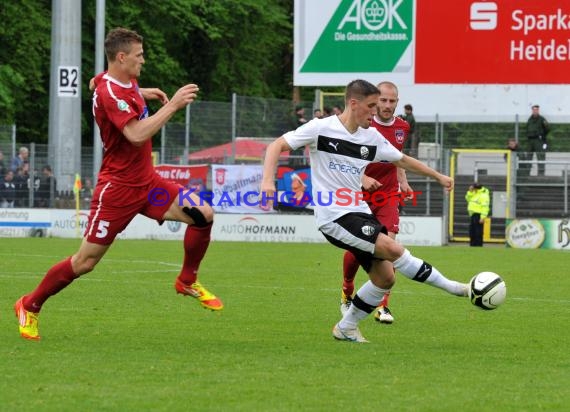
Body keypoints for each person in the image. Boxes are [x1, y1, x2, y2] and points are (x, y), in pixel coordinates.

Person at [14, 27, 223, 341]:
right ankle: (29, 304)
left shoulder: (116, 81)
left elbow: (94, 81)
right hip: (118, 189)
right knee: (84, 262)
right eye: (139, 56)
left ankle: (186, 281)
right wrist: (173, 104)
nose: (143, 60)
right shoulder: (112, 94)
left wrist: (145, 91)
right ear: (121, 57)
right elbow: (136, 134)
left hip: (147, 183)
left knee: (202, 214)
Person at [261, 79, 468, 343]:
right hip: (333, 215)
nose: (375, 111)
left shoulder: (371, 137)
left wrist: (438, 176)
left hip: (359, 211)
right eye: (371, 106)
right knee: (393, 249)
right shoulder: (321, 128)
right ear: (353, 103)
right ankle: (455, 288)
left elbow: (402, 159)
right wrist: (268, 181)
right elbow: (275, 146)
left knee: (385, 277)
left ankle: (346, 327)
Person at [340, 81, 413, 325]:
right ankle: (347, 289)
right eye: (383, 100)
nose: (387, 106)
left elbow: (397, 159)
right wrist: (362, 177)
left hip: (388, 194)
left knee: (388, 245)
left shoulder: (403, 127)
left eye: (392, 101)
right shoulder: (362, 124)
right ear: (375, 100)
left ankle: (383, 306)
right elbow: (343, 159)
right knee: (357, 248)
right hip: (359, 193)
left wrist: (403, 181)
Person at [525, 105, 550, 176]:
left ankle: (541, 174)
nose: (535, 111)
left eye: (536, 110)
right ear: (532, 110)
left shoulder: (542, 119)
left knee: (541, 157)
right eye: (534, 110)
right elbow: (527, 128)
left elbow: (547, 128)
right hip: (530, 140)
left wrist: (542, 135)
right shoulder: (529, 119)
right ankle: (526, 173)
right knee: (528, 157)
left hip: (538, 141)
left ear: (538, 110)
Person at [465, 183, 490, 247]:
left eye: (472, 188)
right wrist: (470, 192)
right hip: (472, 215)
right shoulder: (474, 193)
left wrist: (482, 217)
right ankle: (472, 246)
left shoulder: (484, 195)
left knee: (478, 233)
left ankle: (478, 246)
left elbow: (485, 207)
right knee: (472, 232)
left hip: (478, 215)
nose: (471, 189)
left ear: (476, 188)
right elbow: (468, 199)